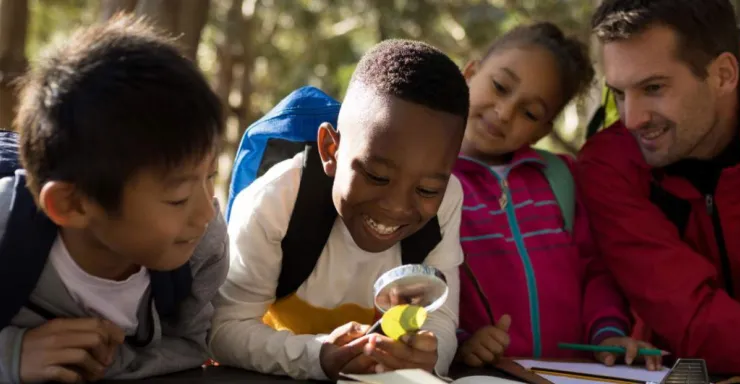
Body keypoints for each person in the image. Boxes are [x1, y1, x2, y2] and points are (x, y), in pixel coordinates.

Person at [209, 40, 469, 380]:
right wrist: (318, 356)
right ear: (331, 149)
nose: (396, 206)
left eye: (427, 189)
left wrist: (427, 359)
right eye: (377, 176)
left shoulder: (445, 204)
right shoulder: (275, 204)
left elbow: (441, 317)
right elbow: (223, 330)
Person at [0, 15, 228, 383]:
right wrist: (12, 355)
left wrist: (105, 361)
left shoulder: (203, 248)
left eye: (211, 178)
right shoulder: (6, 234)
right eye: (178, 197)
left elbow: (191, 343)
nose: (205, 213)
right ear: (72, 205)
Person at [452, 21, 661, 371]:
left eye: (530, 113)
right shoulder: (431, 183)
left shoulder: (560, 179)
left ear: (542, 130)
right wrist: (460, 342)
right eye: (500, 86)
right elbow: (421, 282)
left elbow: (596, 270)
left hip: (572, 374)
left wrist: (607, 333)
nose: (504, 113)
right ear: (470, 73)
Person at [578, 0, 740, 374]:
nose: (631, 119)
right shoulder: (608, 164)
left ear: (724, 75)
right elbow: (693, 323)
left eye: (653, 87)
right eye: (618, 93)